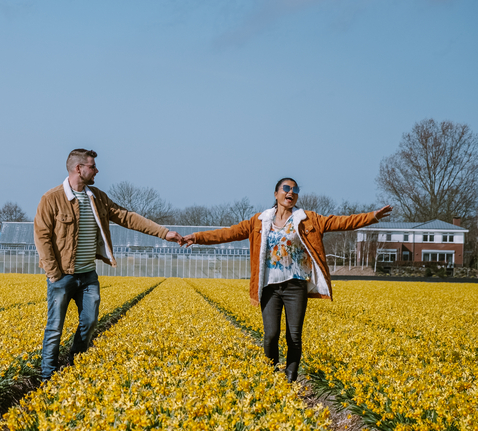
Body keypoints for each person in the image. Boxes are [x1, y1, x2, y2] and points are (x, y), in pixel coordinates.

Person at [182, 177, 392, 381]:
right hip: (269, 287)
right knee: (271, 334)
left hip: (295, 285)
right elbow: (227, 234)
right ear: (276, 194)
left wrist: (372, 216)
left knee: (294, 336)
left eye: (295, 189)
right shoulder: (259, 221)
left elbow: (342, 222)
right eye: (286, 188)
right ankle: (270, 373)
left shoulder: (307, 219)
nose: (291, 192)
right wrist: (197, 237)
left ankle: (290, 377)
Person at [33, 149, 184, 381]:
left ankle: (75, 364)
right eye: (92, 166)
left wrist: (164, 233)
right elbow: (42, 236)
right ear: (78, 169)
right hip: (62, 276)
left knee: (91, 322)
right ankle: (47, 377)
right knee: (55, 328)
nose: (97, 170)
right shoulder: (51, 198)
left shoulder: (97, 197)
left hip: (87, 276)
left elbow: (127, 217)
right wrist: (54, 273)